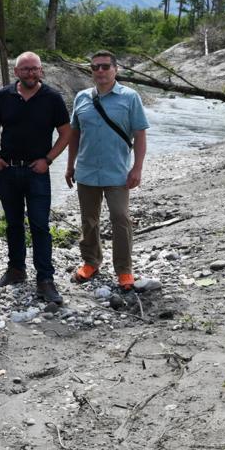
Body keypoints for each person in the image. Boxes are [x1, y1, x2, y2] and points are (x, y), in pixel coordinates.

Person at [0, 52, 71, 305]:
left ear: (41, 71)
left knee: (40, 226)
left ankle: (45, 279)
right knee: (12, 223)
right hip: (8, 170)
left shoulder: (53, 98)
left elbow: (66, 133)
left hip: (37, 172)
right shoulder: (4, 96)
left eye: (34, 69)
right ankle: (16, 270)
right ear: (16, 72)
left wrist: (48, 160)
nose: (30, 73)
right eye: (25, 69)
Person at [66, 50, 149, 291]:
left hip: (117, 172)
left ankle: (124, 270)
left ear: (115, 69)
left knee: (120, 218)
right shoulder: (81, 98)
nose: (100, 71)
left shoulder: (130, 97)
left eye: (105, 66)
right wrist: (70, 165)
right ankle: (91, 262)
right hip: (87, 171)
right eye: (95, 67)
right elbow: (74, 135)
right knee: (88, 220)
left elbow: (140, 135)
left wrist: (137, 168)